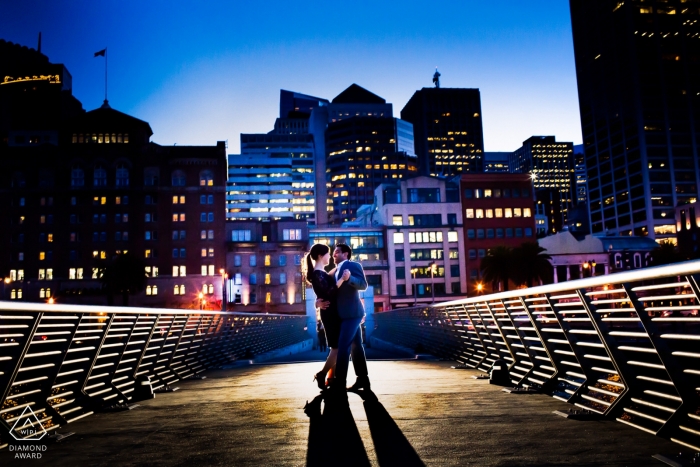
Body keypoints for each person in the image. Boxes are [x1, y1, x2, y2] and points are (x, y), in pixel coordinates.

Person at [305, 243, 351, 390]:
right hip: (329, 313)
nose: (329, 256)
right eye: (327, 254)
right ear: (320, 256)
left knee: (336, 347)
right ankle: (322, 374)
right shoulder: (317, 274)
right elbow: (330, 291)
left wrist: (341, 269)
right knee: (337, 348)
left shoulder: (321, 273)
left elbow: (331, 275)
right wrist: (343, 279)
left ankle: (331, 379)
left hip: (331, 311)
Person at [327, 243, 371, 394]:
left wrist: (349, 278)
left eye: (337, 252)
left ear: (345, 254)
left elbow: (363, 285)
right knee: (356, 346)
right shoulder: (334, 271)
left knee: (343, 346)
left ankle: (340, 382)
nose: (334, 255)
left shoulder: (353, 266)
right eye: (334, 252)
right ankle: (363, 379)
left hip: (352, 314)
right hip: (342, 316)